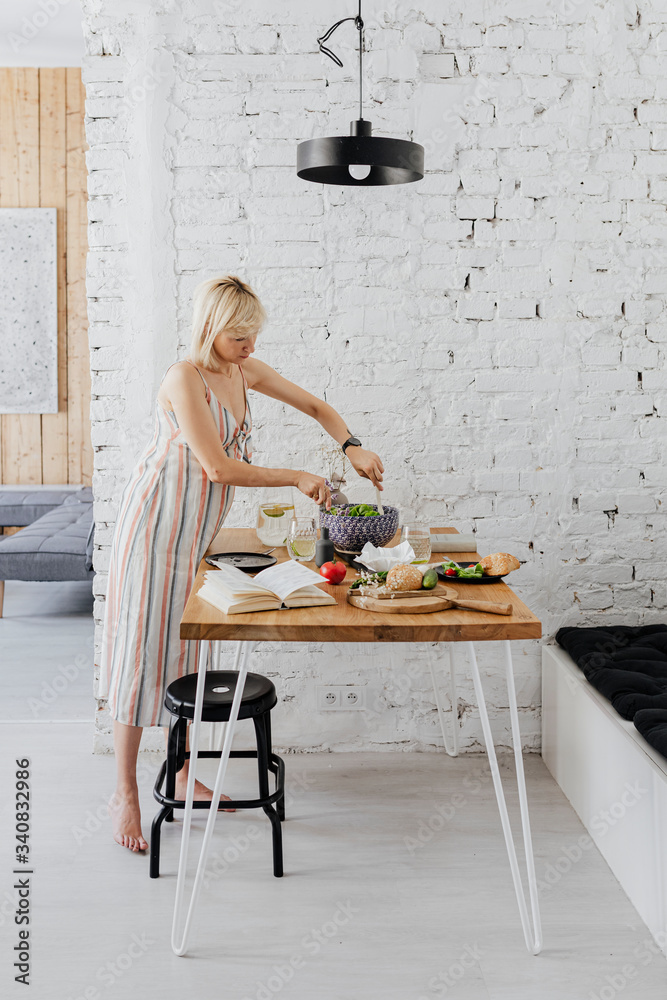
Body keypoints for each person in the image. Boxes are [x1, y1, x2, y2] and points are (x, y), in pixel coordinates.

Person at [99, 275, 385, 851]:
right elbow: (219, 469)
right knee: (142, 653)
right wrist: (298, 476)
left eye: (254, 333)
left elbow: (313, 404)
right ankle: (124, 792)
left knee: (187, 652)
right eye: (238, 334)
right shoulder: (185, 378)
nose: (249, 344)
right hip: (156, 528)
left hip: (195, 533)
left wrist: (351, 444)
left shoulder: (242, 371)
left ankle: (180, 772)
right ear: (210, 327)